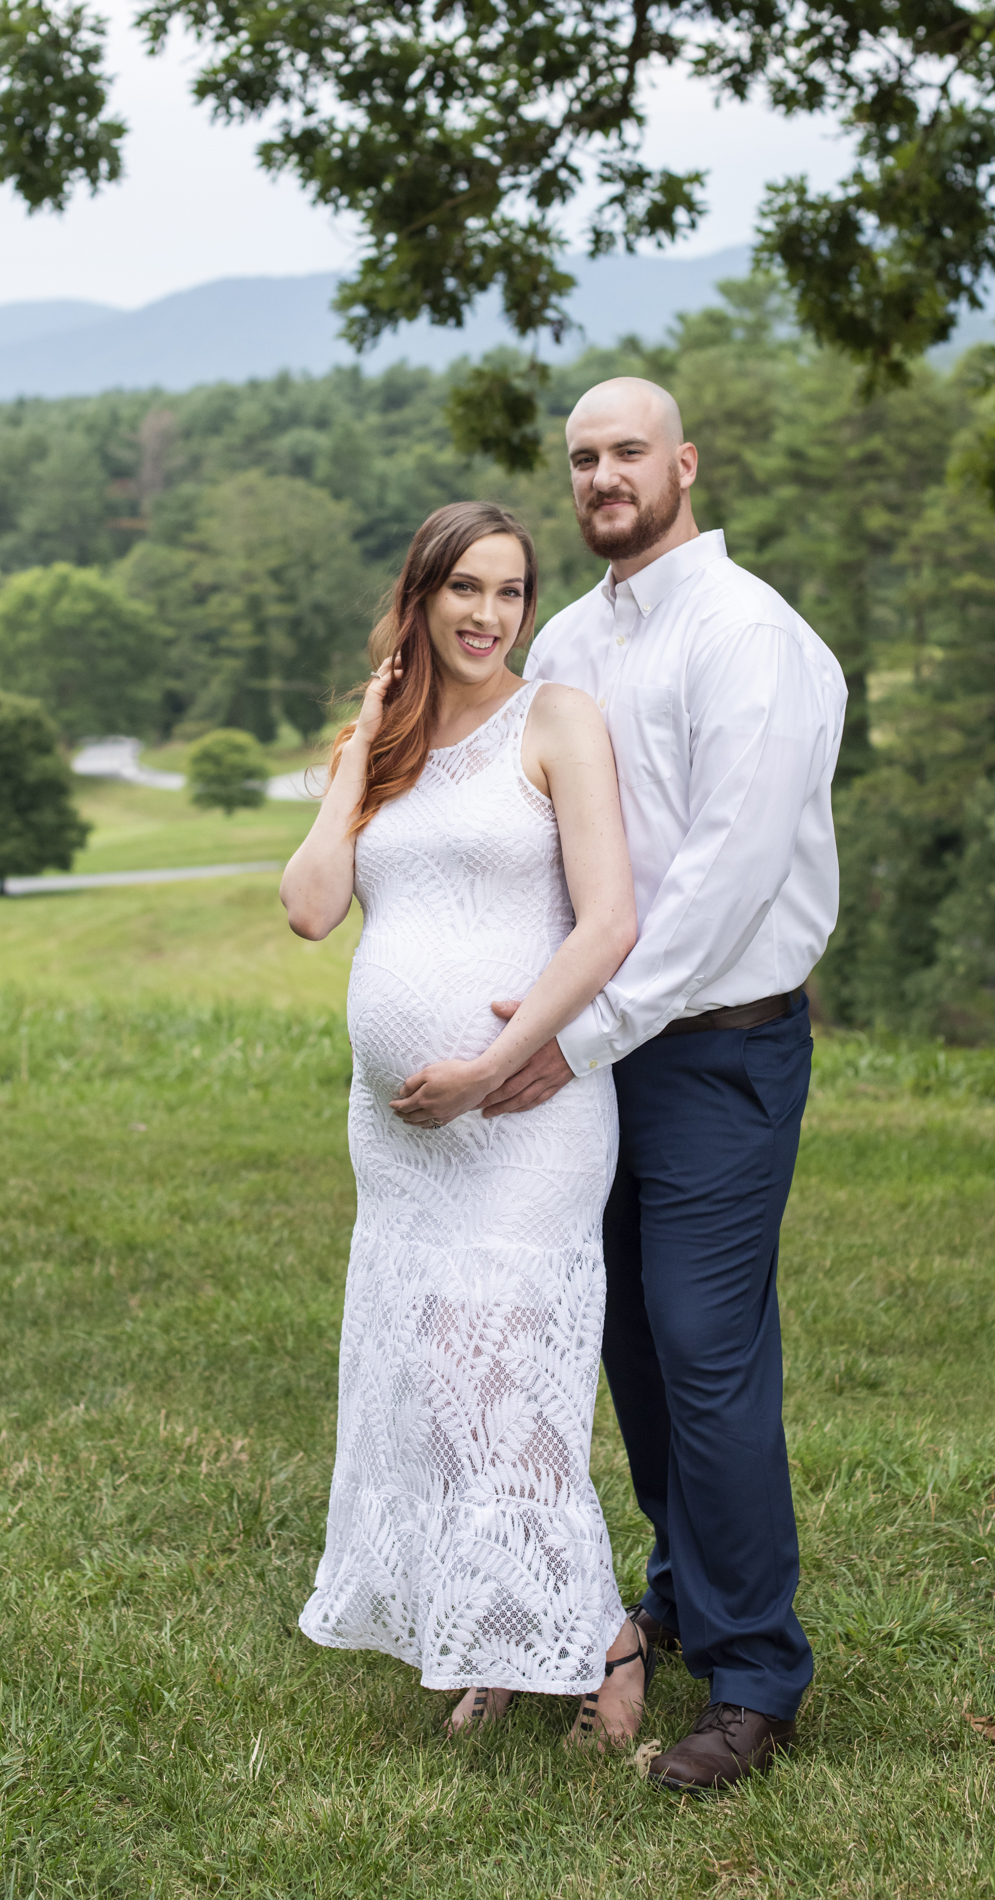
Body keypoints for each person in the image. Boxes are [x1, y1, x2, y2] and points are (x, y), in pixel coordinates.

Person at [481, 379, 848, 1792]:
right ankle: (682, 1595)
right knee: (625, 1342)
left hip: (714, 1047)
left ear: (682, 463)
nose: (599, 476)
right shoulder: (570, 636)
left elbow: (715, 883)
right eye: (579, 459)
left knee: (702, 1348)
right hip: (600, 1047)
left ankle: (754, 1676)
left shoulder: (749, 637)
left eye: (624, 451)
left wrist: (572, 1035)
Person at [280, 500, 655, 1747]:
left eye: (511, 592)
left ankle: (601, 1637)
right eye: (466, 589)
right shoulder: (382, 740)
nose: (489, 615)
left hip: (526, 1114)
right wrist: (354, 764)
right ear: (422, 597)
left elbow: (606, 923)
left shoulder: (557, 721)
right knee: (437, 1381)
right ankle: (496, 1630)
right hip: (396, 1139)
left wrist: (490, 1066)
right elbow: (308, 908)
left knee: (509, 1379)